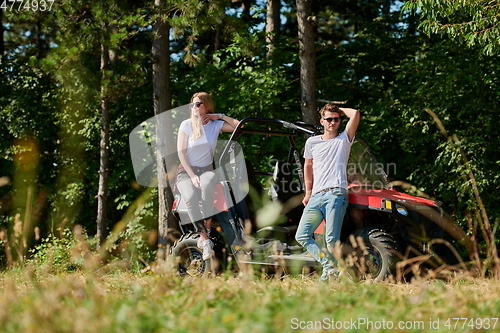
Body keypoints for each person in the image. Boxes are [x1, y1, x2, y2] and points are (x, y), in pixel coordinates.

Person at [295, 103, 360, 281]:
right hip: (316, 196)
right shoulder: (312, 142)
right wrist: (308, 193)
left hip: (336, 194)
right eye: (329, 119)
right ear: (321, 121)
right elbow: (308, 166)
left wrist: (339, 109)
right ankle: (329, 266)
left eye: (336, 119)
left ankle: (328, 275)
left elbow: (355, 113)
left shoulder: (344, 139)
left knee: (331, 240)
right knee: (301, 235)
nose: (332, 122)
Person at [176, 92, 240, 260]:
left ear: (207, 106)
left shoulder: (215, 125)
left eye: (198, 104)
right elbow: (181, 153)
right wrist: (191, 176)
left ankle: (208, 228)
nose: (194, 107)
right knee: (189, 195)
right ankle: (204, 239)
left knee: (208, 184)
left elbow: (239, 126)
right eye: (192, 104)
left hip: (206, 170)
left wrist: (220, 116)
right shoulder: (186, 125)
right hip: (186, 171)